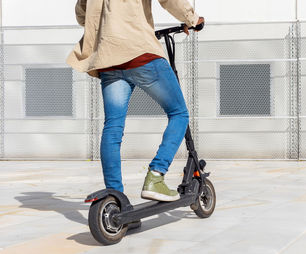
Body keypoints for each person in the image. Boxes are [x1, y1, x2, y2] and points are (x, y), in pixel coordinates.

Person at [67, 0, 204, 202]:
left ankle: (116, 199)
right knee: (179, 113)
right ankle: (156, 175)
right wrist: (192, 19)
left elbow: (82, 14)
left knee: (112, 126)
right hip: (141, 54)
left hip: (109, 59)